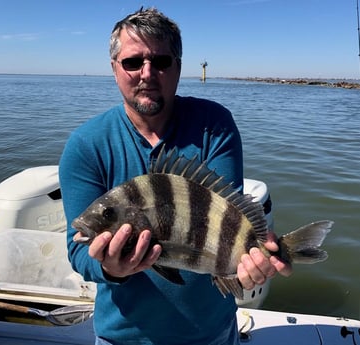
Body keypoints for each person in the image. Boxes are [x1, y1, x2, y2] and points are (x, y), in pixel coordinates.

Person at [59, 7, 291, 345]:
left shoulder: (214, 124)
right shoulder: (85, 145)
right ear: (114, 68)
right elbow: (78, 251)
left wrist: (256, 258)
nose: (147, 73)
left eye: (162, 61)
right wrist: (111, 269)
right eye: (133, 62)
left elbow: (228, 215)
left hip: (213, 333)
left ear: (178, 67)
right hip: (123, 338)